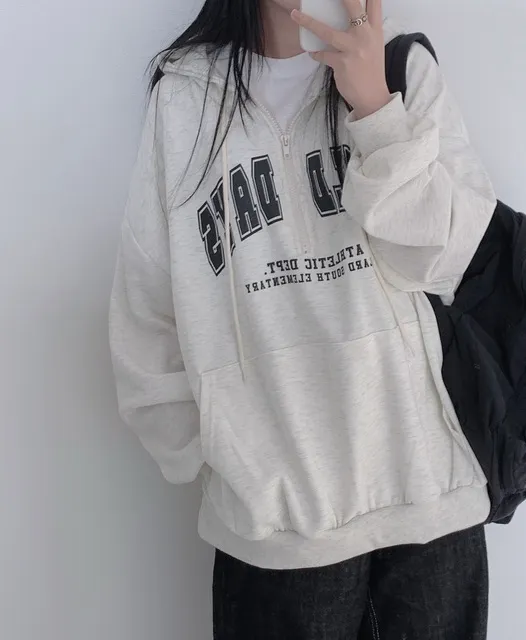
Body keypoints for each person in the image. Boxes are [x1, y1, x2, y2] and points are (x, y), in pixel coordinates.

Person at [109, 0, 497, 638]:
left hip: (431, 504)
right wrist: (227, 457)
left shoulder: (401, 67)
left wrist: (375, 110)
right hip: (276, 528)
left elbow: (448, 262)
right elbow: (147, 303)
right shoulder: (185, 96)